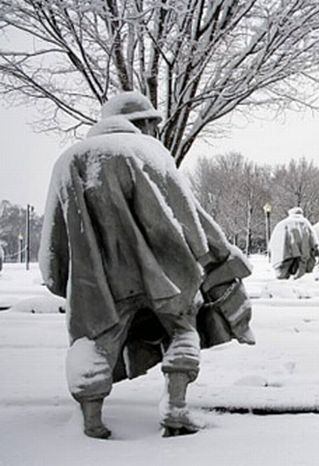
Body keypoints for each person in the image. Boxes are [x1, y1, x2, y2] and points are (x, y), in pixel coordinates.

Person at [40, 91, 254, 439]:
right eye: (152, 123)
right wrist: (217, 252)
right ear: (141, 123)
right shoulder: (149, 153)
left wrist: (59, 276)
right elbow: (187, 214)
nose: (154, 130)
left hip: (99, 279)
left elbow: (55, 231)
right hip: (165, 274)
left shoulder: (68, 161)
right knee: (182, 330)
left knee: (95, 342)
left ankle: (91, 420)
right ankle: (176, 408)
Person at [269, 207, 319, 279]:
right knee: (300, 276)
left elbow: (274, 240)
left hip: (285, 253)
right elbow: (313, 239)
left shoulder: (282, 224)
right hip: (303, 254)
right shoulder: (305, 223)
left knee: (282, 276)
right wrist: (315, 249)